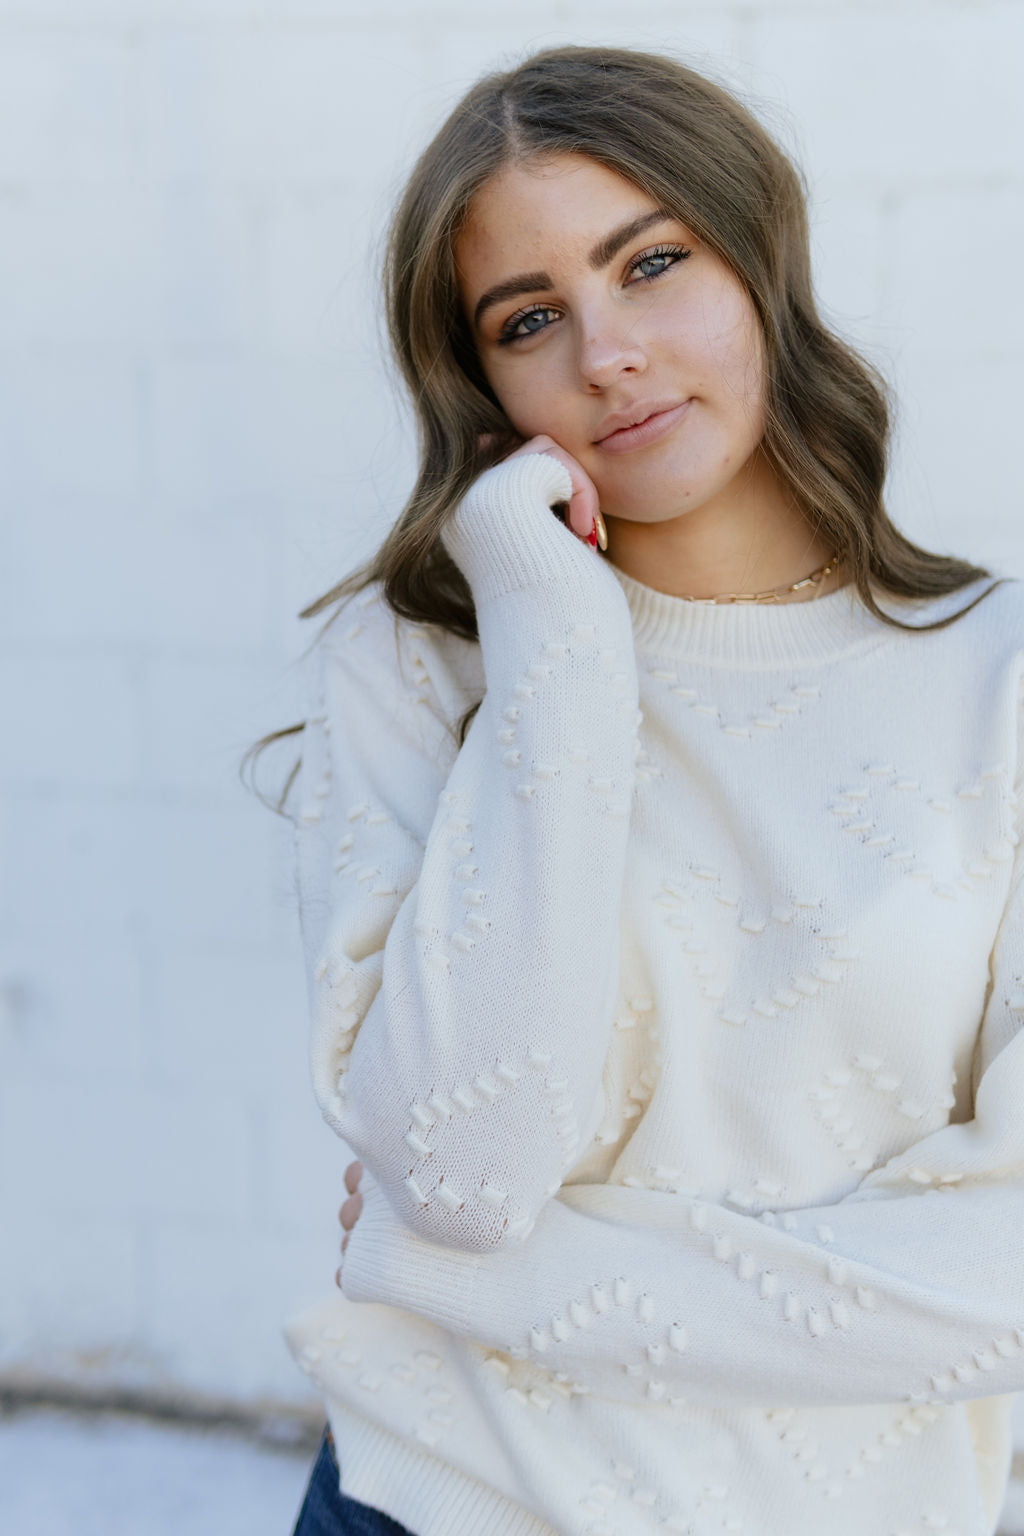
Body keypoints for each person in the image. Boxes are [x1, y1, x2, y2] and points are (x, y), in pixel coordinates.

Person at [244, 43, 1024, 1536]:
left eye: (651, 264)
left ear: (759, 262)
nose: (606, 351)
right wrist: (556, 635)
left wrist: (448, 1274)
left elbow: (1007, 1284)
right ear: (481, 380)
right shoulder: (420, 668)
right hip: (434, 1502)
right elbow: (467, 1170)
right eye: (531, 317)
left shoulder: (998, 680)